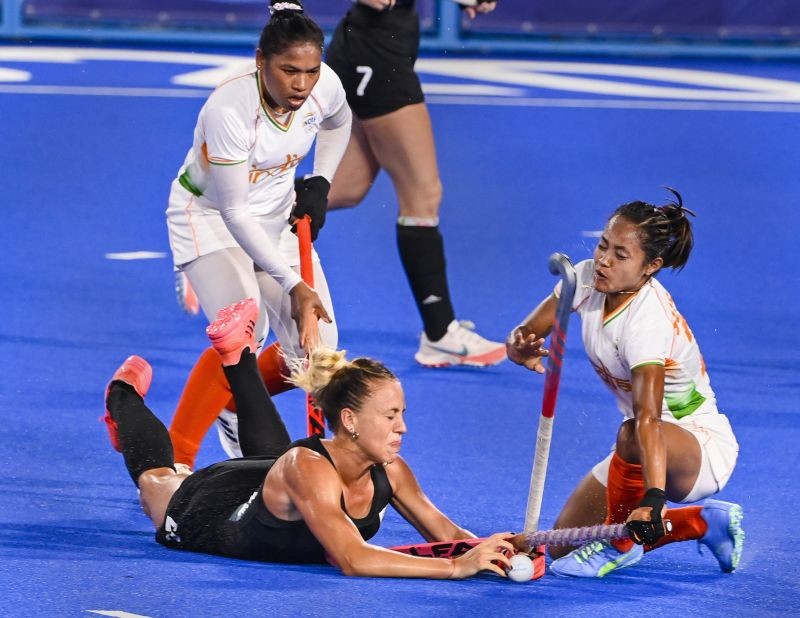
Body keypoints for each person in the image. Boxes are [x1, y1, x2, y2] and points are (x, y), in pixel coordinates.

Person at [102, 298, 517, 578]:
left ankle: (238, 358)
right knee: (157, 480)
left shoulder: (390, 470)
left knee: (280, 460)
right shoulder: (308, 469)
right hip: (214, 510)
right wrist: (455, 568)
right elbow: (351, 558)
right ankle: (123, 396)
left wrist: (508, 546)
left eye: (402, 415)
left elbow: (448, 535)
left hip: (278, 478)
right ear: (350, 420)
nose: (402, 427)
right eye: (390, 416)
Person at [506, 189, 744, 577]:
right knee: (562, 547)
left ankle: (621, 545)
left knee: (631, 433)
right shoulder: (585, 279)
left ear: (651, 266)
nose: (604, 260)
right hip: (636, 446)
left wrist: (653, 497)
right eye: (603, 245)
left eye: (621, 254)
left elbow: (647, 419)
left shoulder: (647, 321)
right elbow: (526, 333)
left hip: (695, 446)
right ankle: (702, 522)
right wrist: (519, 347)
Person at [164, 0, 351, 469]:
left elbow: (339, 121)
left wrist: (321, 181)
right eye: (289, 71)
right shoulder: (229, 110)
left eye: (311, 71)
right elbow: (234, 211)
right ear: (260, 60)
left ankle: (233, 404)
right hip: (209, 219)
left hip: (276, 216)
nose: (302, 84)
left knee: (319, 352)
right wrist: (295, 285)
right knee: (245, 330)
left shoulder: (323, 86)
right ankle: (174, 460)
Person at [324, 0, 507, 368]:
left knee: (345, 189)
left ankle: (235, 214)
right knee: (422, 194)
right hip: (376, 53)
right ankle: (440, 333)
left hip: (375, 45)